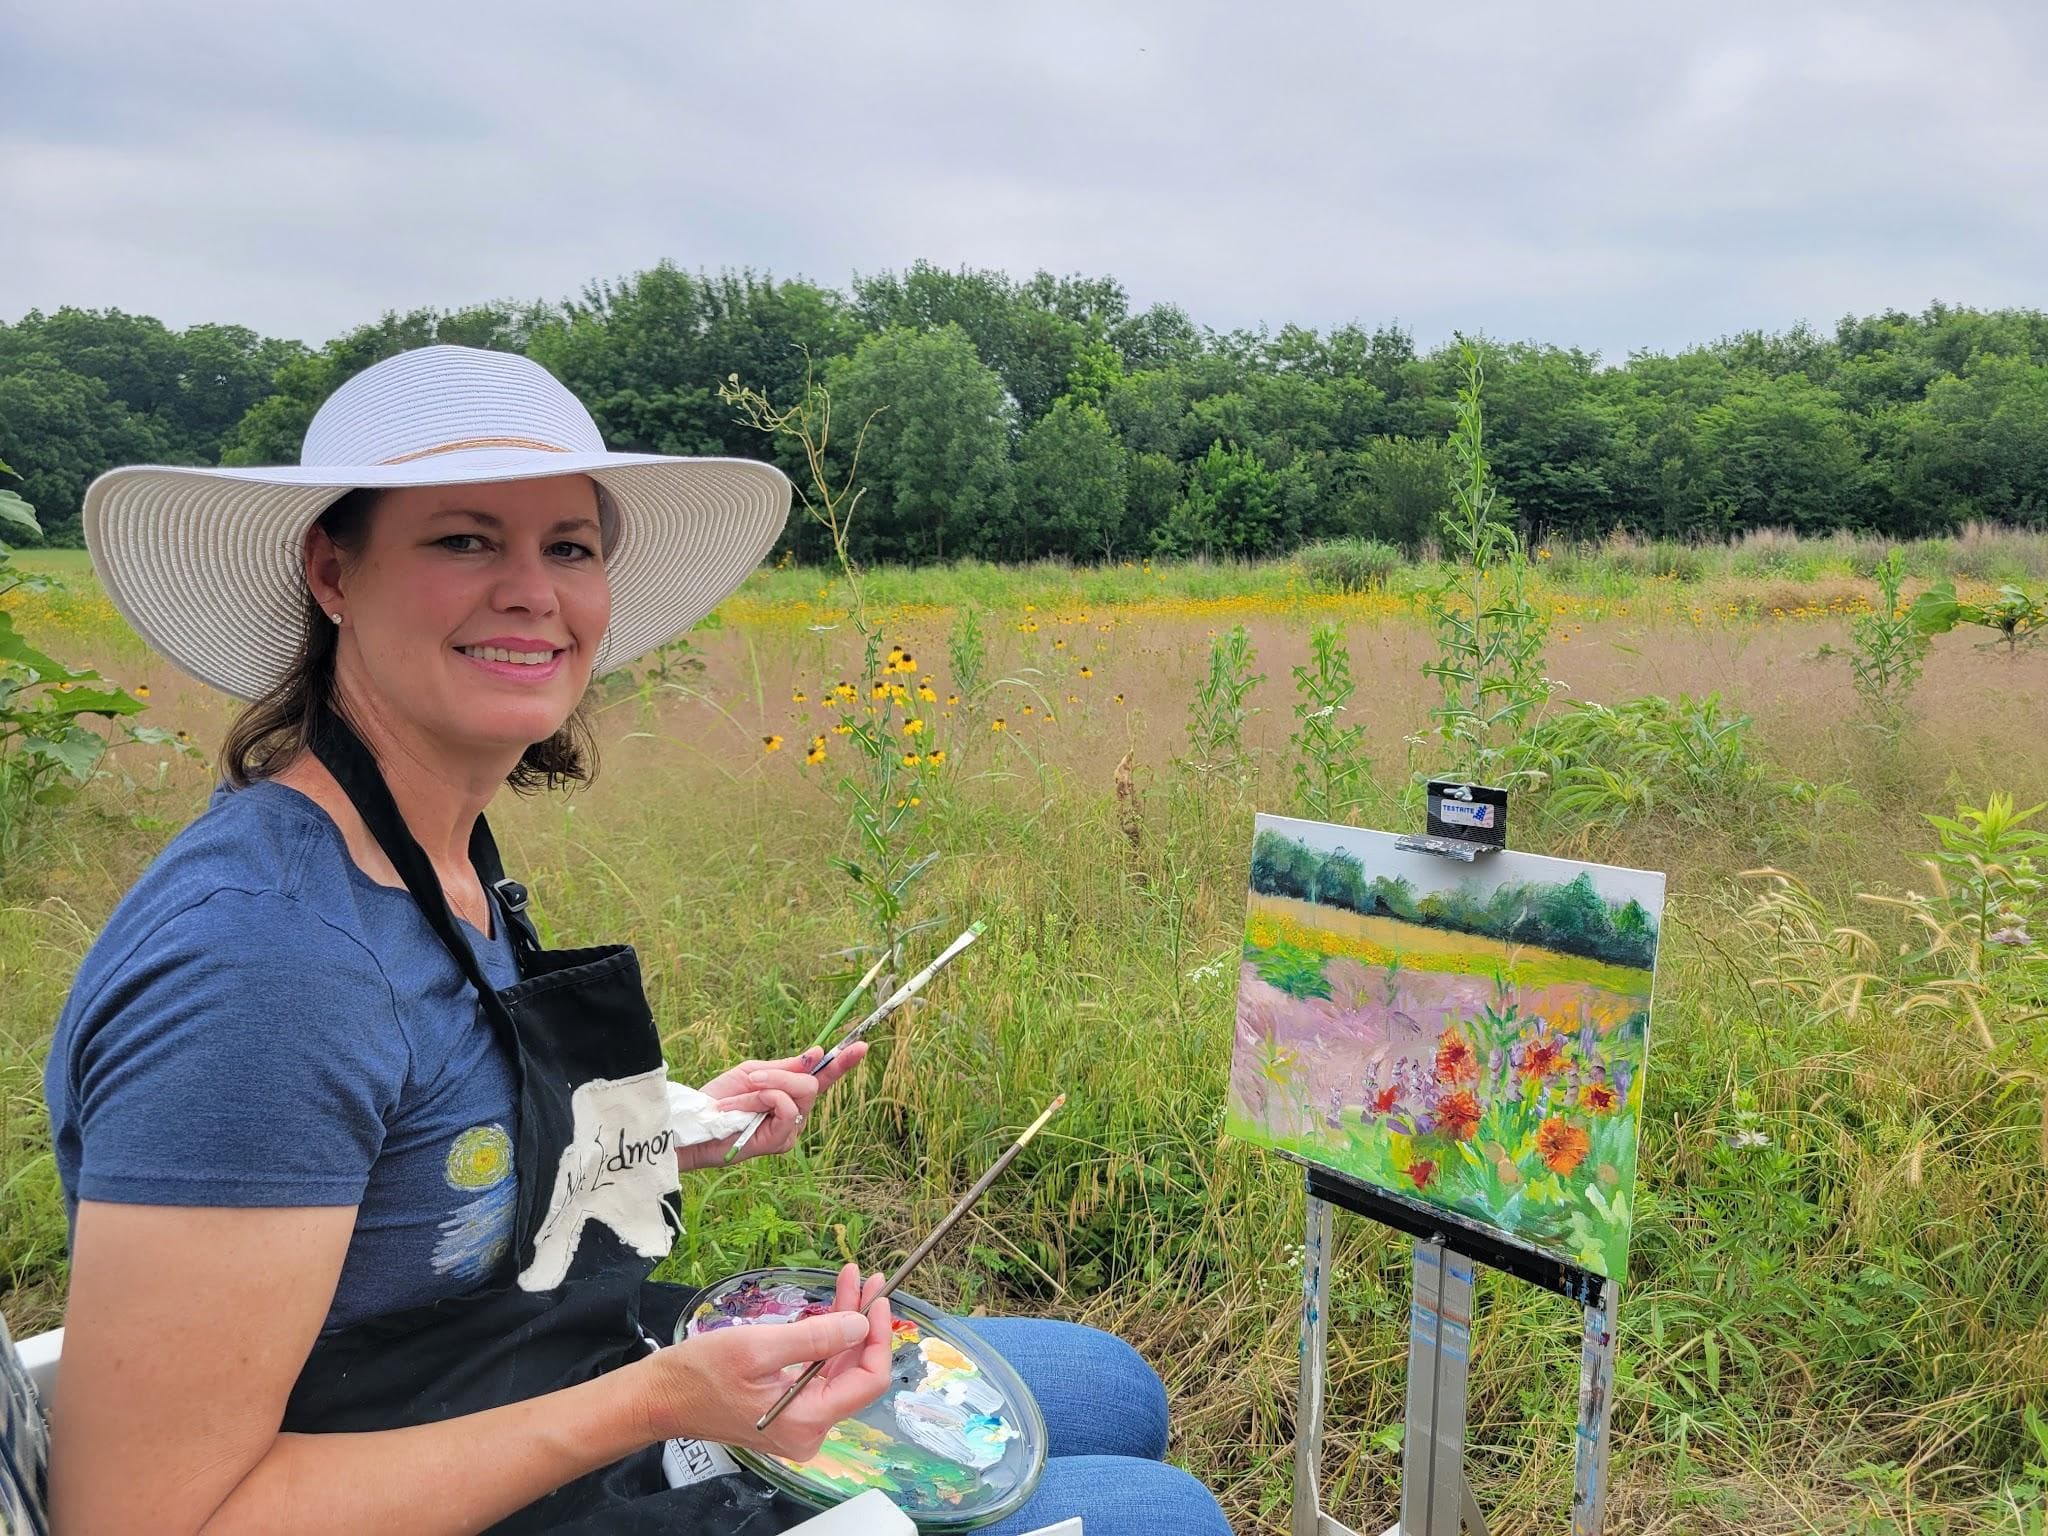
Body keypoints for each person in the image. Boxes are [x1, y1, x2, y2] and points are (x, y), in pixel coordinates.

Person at [44, 345, 1231, 1536]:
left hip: (505, 1373)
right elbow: (151, 1522)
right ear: (332, 572)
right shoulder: (262, 972)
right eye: (463, 540)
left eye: (568, 546)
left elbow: (412, 1177)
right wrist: (657, 1405)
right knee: (1157, 1514)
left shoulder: (429, 852)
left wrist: (675, 1134)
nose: (530, 590)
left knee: (1102, 1386)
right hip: (434, 1474)